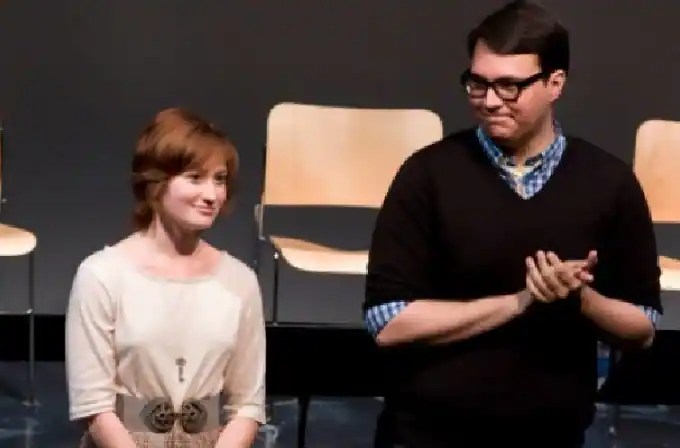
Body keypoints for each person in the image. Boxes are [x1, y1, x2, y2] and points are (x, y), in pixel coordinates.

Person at [363, 1, 662, 447]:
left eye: (509, 86)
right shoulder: (428, 174)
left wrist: (580, 299)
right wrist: (520, 301)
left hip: (553, 435)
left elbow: (643, 327)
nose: (490, 101)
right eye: (478, 84)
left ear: (555, 83)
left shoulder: (609, 182)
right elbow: (387, 321)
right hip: (427, 431)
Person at [65, 108, 266, 447]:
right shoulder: (101, 275)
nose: (212, 195)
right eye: (195, 178)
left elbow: (247, 404)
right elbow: (94, 406)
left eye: (219, 180)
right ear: (155, 184)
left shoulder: (240, 282)